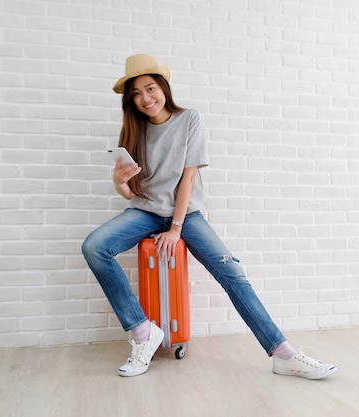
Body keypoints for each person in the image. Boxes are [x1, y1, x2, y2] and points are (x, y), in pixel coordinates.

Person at [82, 53, 337, 379]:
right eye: (136, 93)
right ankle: (144, 332)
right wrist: (120, 184)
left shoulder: (190, 120)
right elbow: (134, 192)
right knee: (94, 247)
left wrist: (175, 228)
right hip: (145, 211)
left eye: (149, 88)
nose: (145, 98)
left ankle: (283, 353)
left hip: (186, 215)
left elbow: (188, 178)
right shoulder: (134, 131)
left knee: (231, 272)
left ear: (163, 86)